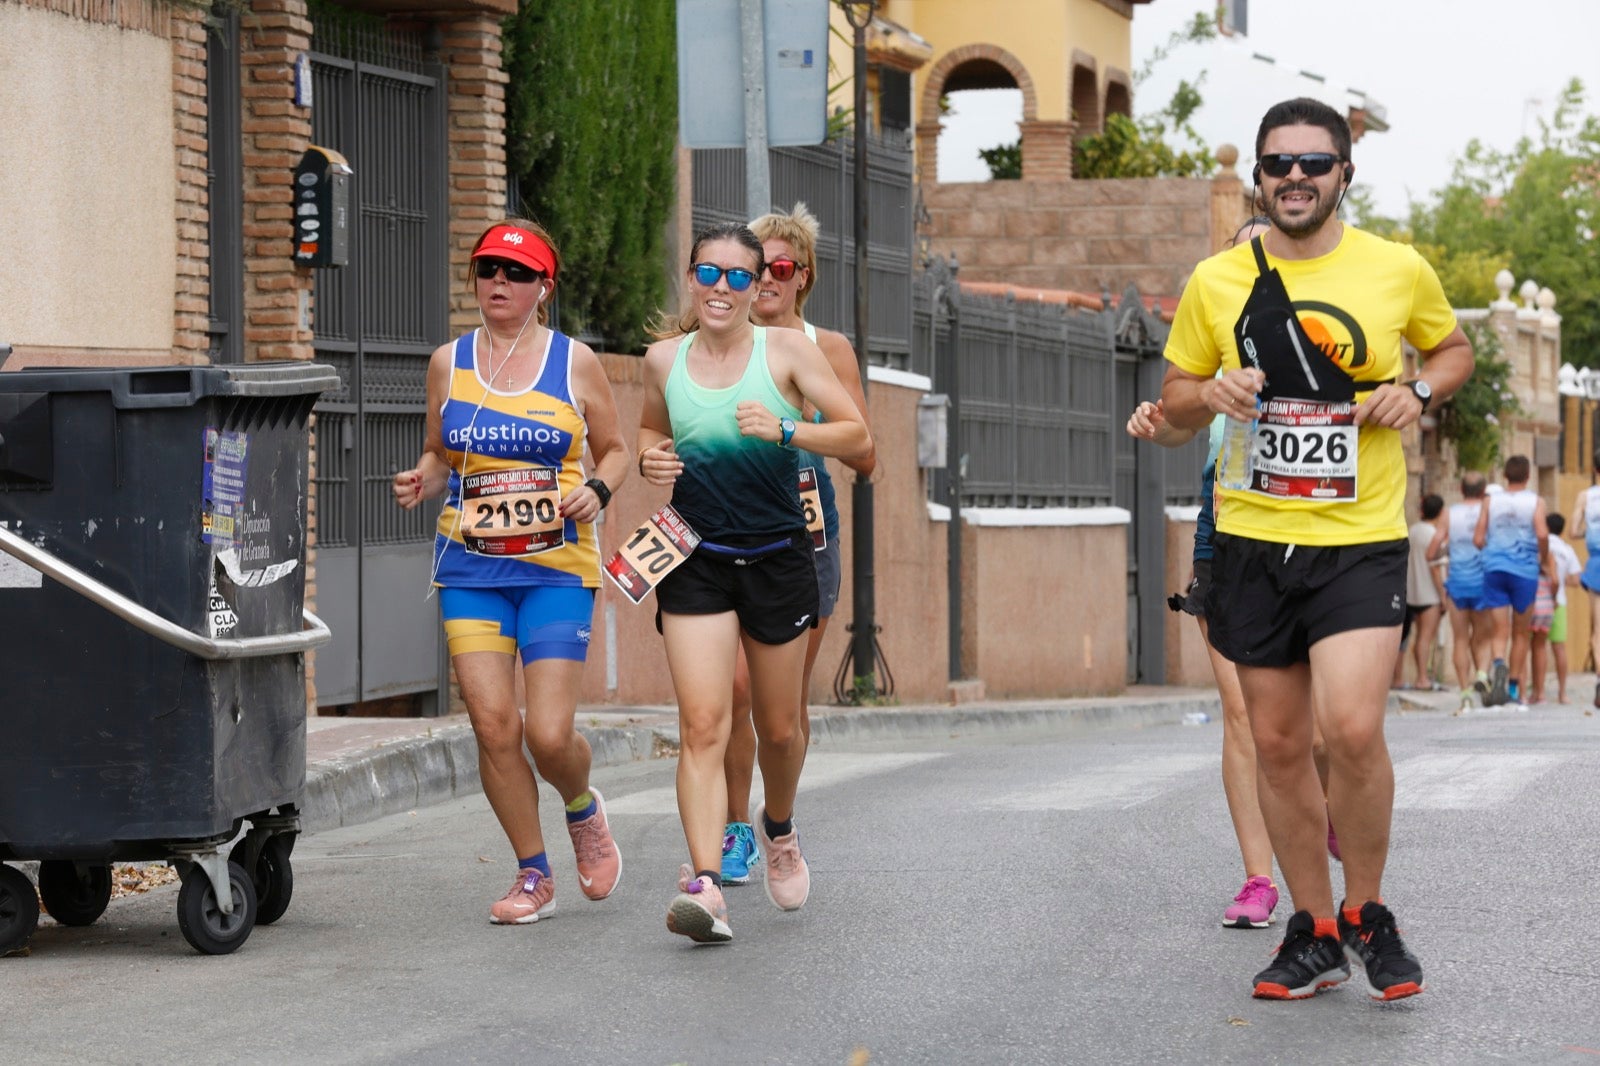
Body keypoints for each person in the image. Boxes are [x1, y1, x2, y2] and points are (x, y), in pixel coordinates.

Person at [1159, 98, 1474, 1001]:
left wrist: (1416, 389)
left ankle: (1369, 911)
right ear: (1259, 176)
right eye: (1278, 163)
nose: (1295, 177)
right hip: (1256, 541)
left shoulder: (1394, 267)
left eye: (1314, 162)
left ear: (1343, 172)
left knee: (1352, 727)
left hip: (1361, 536)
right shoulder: (1219, 280)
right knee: (1281, 741)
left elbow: (1453, 350)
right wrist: (1210, 392)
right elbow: (1176, 394)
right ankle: (1314, 928)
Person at [638, 221, 872, 943]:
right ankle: (705, 884)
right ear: (690, 276)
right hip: (697, 558)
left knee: (777, 727)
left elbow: (859, 439)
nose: (724, 288)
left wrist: (784, 430)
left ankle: (779, 825)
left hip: (777, 556)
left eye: (740, 277)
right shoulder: (661, 359)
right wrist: (653, 460)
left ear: (756, 287)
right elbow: (651, 431)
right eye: (709, 274)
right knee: (703, 725)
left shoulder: (790, 352)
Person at [391, 218, 629, 924]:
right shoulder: (449, 362)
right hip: (469, 563)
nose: (500, 282)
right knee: (494, 725)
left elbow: (613, 449)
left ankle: (582, 810)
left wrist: (600, 489)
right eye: (489, 269)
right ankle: (533, 873)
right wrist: (424, 478)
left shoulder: (575, 362)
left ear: (543, 289)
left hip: (557, 566)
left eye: (517, 274)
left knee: (549, 734)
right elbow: (440, 451)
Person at [718, 203, 877, 886]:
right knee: (733, 691)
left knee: (783, 707)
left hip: (805, 540)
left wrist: (797, 425)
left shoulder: (827, 348)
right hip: (726, 535)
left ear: (801, 277)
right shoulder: (720, 339)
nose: (768, 280)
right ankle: (734, 829)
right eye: (759, 267)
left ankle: (778, 819)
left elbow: (867, 454)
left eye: (781, 268)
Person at [1474, 454, 1547, 707]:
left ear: (1505, 476)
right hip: (1525, 572)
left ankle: (1498, 665)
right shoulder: (1536, 501)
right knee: (1520, 633)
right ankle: (1514, 690)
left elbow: (1478, 539)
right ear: (1528, 476)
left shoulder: (1491, 501)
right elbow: (1542, 532)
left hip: (1494, 568)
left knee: (1499, 629)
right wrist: (1543, 558)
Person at [1433, 471, 1495, 712]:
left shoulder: (1450, 514)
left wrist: (1446, 553)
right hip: (1483, 583)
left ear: (1460, 490)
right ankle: (1481, 673)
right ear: (1483, 491)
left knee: (1459, 639)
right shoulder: (1487, 512)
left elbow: (1431, 551)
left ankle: (1465, 693)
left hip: (1457, 583)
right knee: (1483, 637)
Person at [1392, 494, 1446, 690]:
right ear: (1440, 512)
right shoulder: (1434, 535)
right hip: (1429, 593)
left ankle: (1397, 678)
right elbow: (1436, 568)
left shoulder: (1411, 530)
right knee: (1425, 638)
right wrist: (1443, 596)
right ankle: (1422, 678)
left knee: (1403, 639)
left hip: (1409, 592)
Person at [1532, 512, 1581, 704]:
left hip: (1538, 601)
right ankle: (1562, 693)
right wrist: (1561, 580)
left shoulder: (1538, 546)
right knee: (1559, 647)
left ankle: (1538, 692)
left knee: (1537, 646)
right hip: (1559, 602)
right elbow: (1576, 580)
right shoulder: (1567, 549)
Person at [1569, 451, 1600, 708]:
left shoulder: (1586, 497)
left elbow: (1573, 530)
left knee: (1597, 631)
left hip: (1597, 563)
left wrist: (1588, 531)